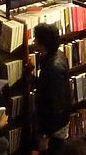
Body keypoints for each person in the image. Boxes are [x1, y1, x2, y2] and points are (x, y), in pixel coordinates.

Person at [31, 23, 70, 154]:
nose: (34, 41)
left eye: (36, 38)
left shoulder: (54, 67)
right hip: (52, 125)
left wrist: (46, 135)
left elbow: (58, 105)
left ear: (43, 43)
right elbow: (46, 86)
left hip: (54, 129)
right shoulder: (52, 56)